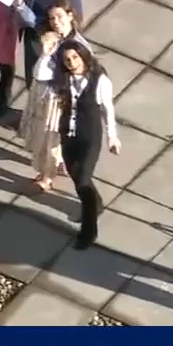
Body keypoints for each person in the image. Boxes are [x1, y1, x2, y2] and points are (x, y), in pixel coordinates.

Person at [53, 40, 121, 250]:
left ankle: (89, 232)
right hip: (68, 135)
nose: (72, 63)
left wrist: (112, 136)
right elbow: (40, 74)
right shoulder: (63, 79)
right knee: (77, 178)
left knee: (83, 182)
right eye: (67, 60)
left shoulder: (99, 80)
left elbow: (107, 109)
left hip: (89, 137)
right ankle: (96, 204)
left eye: (75, 57)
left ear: (83, 56)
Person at [18, 0, 90, 191]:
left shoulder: (76, 46)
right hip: (48, 94)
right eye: (52, 18)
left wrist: (47, 54)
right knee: (56, 137)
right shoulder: (55, 40)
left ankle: (47, 176)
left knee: (50, 137)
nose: (56, 22)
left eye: (59, 16)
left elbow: (45, 73)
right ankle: (60, 164)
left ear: (70, 15)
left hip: (60, 98)